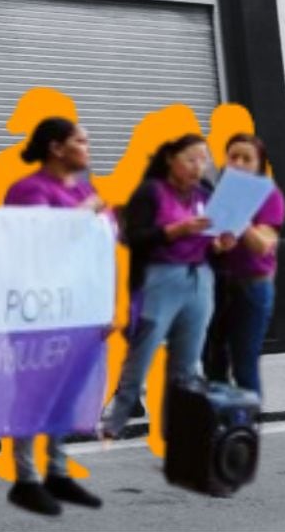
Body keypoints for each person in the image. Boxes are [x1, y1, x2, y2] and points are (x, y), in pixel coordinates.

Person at [0, 117, 107, 516]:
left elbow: (99, 251)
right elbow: (42, 242)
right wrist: (86, 212)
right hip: (36, 308)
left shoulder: (83, 189)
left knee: (67, 390)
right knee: (33, 390)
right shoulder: (27, 190)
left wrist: (105, 305)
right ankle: (26, 478)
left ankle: (58, 470)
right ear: (56, 148)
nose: (88, 148)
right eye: (81, 141)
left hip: (77, 306)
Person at [100, 134, 235, 439]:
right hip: (155, 281)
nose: (198, 166)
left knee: (189, 355)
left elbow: (213, 237)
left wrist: (220, 243)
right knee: (143, 344)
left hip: (196, 280)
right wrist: (177, 230)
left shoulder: (204, 193)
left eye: (203, 160)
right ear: (171, 162)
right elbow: (136, 238)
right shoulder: (151, 194)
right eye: (191, 159)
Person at [205, 133, 283, 397]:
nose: (238, 163)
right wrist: (217, 244)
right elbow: (214, 243)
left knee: (244, 366)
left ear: (259, 164)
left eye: (246, 158)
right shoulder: (218, 195)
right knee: (214, 363)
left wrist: (240, 219)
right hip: (220, 286)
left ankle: (247, 429)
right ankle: (225, 427)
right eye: (233, 156)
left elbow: (263, 245)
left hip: (253, 288)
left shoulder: (269, 196)